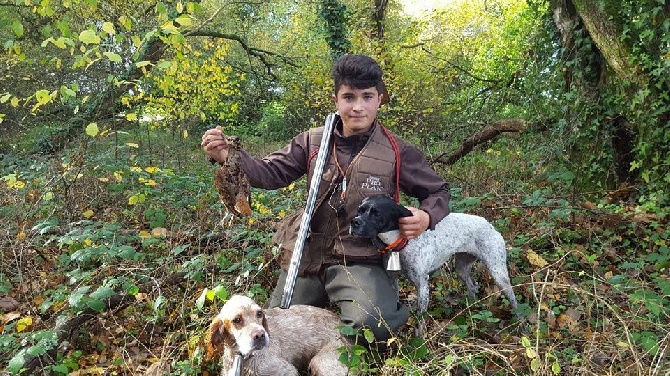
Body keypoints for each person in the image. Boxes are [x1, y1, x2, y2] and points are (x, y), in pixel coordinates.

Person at [201, 54, 450, 345]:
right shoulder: (311, 141)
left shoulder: (397, 150)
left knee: (373, 326)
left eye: (367, 96)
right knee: (276, 329)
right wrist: (228, 155)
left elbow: (438, 191)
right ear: (336, 99)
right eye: (349, 97)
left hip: (361, 258)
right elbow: (269, 172)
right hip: (308, 255)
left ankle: (340, 332)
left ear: (379, 99)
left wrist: (426, 216)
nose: (358, 107)